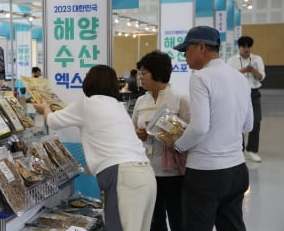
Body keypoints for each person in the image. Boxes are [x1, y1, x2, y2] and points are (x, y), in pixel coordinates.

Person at [34, 65, 156, 231]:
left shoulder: (87, 104)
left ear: (89, 82)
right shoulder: (117, 105)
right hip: (146, 175)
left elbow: (53, 121)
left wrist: (45, 109)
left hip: (123, 176)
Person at [171, 26, 253, 231]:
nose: (185, 57)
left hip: (206, 173)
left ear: (201, 47)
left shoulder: (201, 77)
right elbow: (248, 124)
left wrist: (178, 146)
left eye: (186, 51)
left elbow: (199, 127)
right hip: (237, 170)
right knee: (232, 225)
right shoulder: (239, 78)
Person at [132, 50, 190, 231]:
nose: (140, 78)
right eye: (140, 73)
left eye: (144, 73)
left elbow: (191, 134)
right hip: (147, 169)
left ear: (157, 72)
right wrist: (139, 133)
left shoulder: (180, 99)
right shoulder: (141, 101)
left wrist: (169, 133)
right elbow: (133, 129)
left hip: (174, 172)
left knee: (177, 217)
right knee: (154, 219)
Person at [227, 36, 266, 162]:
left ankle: (252, 150)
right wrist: (242, 71)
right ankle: (239, 150)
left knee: (256, 122)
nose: (246, 49)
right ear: (239, 47)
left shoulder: (257, 59)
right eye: (244, 46)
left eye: (248, 46)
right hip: (238, 93)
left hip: (254, 93)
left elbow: (261, 77)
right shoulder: (232, 60)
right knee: (239, 122)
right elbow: (228, 77)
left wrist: (254, 71)